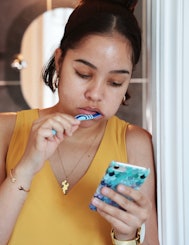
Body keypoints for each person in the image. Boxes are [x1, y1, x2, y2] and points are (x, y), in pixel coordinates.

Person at [0, 0, 159, 244]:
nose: (95, 94)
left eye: (115, 82)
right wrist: (26, 168)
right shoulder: (6, 130)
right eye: (84, 74)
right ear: (60, 61)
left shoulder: (135, 144)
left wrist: (126, 235)